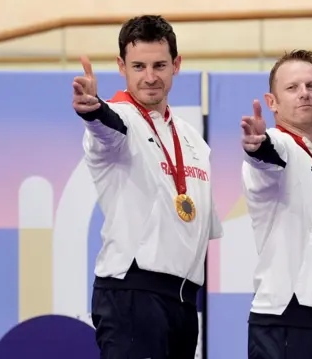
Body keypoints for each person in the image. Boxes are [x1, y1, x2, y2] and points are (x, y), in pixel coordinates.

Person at [71, 15, 223, 359]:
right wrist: (93, 111)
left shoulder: (192, 139)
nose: (150, 77)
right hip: (133, 294)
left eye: (160, 65)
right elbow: (106, 128)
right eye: (139, 66)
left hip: (184, 302)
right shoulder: (120, 118)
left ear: (176, 66)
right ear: (122, 67)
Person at [240, 50, 312, 359]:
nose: (304, 93)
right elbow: (268, 155)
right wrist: (259, 146)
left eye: (311, 86)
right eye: (292, 88)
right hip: (288, 324)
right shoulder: (282, 149)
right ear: (272, 102)